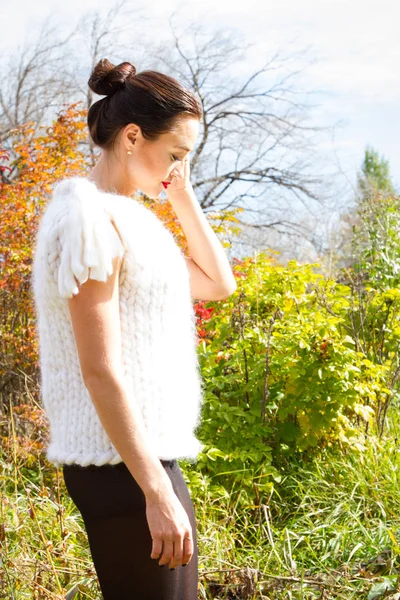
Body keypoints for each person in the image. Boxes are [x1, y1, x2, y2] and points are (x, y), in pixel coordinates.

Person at [30, 58, 237, 599]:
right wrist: (157, 491)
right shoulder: (85, 219)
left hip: (139, 461)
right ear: (131, 136)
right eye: (174, 155)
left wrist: (181, 193)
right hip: (120, 466)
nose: (177, 168)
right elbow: (99, 371)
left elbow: (218, 282)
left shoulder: (133, 219)